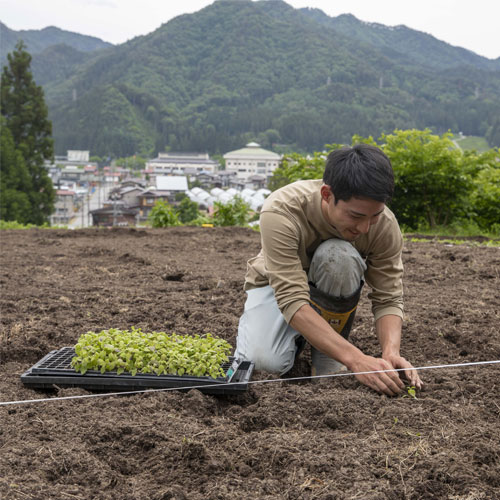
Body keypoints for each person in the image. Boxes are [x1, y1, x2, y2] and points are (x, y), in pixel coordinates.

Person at [235, 144, 422, 396]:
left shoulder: (384, 226)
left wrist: (391, 352)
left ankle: (327, 359)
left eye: (374, 216)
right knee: (264, 364)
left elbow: (387, 296)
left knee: (338, 254)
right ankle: (308, 340)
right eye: (356, 216)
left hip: (331, 289)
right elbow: (291, 298)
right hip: (276, 286)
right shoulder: (282, 210)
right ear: (326, 194)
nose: (365, 228)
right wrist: (356, 359)